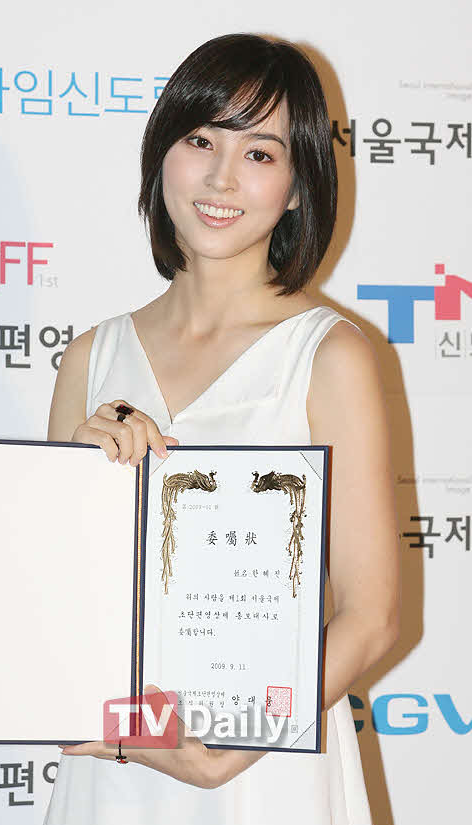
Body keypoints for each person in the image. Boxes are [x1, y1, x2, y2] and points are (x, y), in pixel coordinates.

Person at [43, 32, 400, 825]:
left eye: (260, 153)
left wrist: (222, 752)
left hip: (266, 771)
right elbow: (56, 600)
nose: (221, 177)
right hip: (117, 763)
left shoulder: (329, 354)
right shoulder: (92, 357)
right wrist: (72, 484)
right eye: (201, 140)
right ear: (161, 154)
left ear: (299, 187)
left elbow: (373, 614)